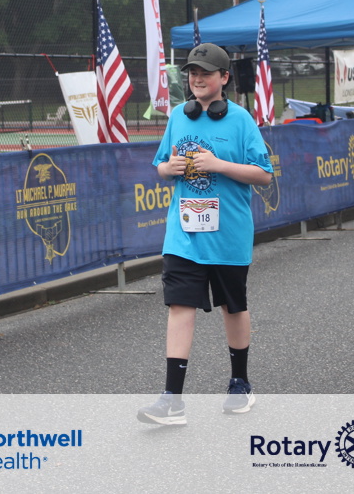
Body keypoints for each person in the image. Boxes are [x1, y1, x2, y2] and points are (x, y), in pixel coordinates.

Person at [138, 43, 273, 425]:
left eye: (205, 73)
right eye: (193, 73)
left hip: (228, 234)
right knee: (179, 305)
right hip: (183, 234)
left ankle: (240, 383)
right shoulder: (179, 116)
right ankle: (172, 400)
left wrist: (219, 164)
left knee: (233, 306)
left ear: (224, 78)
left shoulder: (241, 120)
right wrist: (169, 169)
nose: (197, 79)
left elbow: (264, 175)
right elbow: (160, 165)